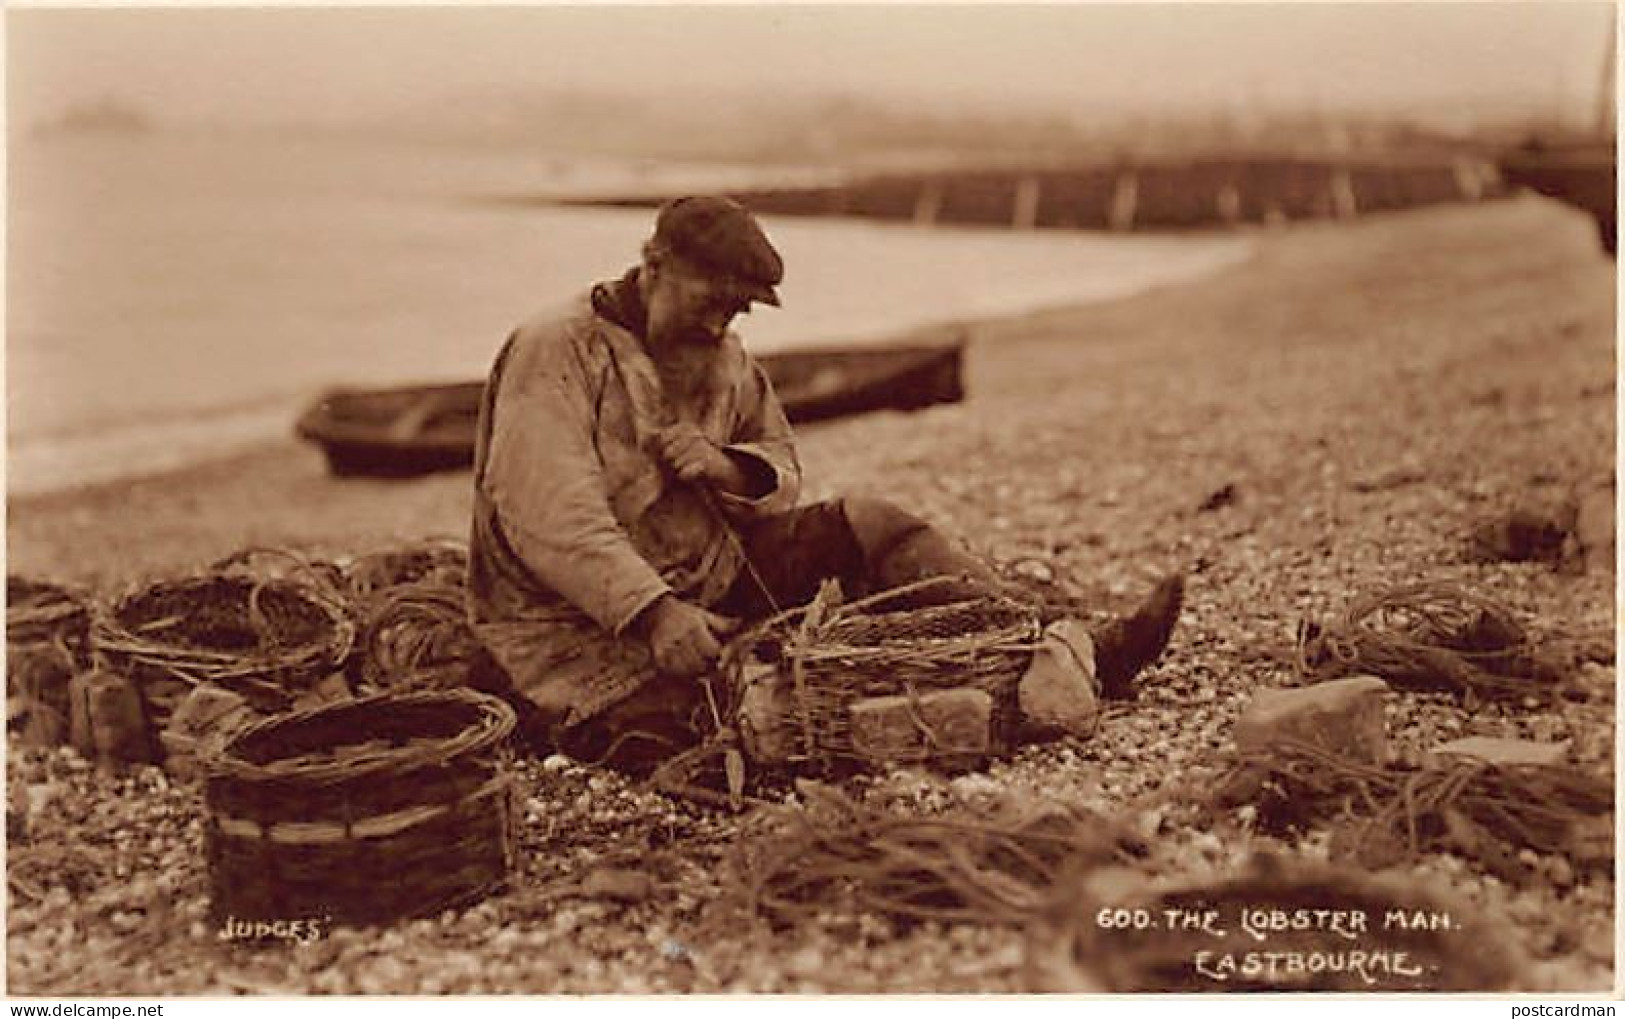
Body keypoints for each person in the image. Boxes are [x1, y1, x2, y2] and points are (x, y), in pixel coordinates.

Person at [466, 195, 1181, 775]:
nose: (720, 320)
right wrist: (653, 612)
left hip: (709, 583)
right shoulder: (555, 348)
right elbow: (546, 516)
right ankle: (1001, 699)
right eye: (708, 298)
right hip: (569, 630)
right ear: (654, 264)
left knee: (868, 523)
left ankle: (1074, 646)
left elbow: (779, 462)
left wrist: (726, 465)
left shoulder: (726, 357)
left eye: (736, 308)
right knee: (731, 721)